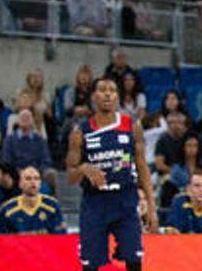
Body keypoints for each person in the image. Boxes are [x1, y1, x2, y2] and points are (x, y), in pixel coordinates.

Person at [66, 78, 157, 271]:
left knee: (134, 259)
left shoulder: (132, 126)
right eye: (102, 90)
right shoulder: (80, 132)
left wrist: (151, 206)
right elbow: (70, 177)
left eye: (112, 90)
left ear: (117, 97)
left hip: (125, 199)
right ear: (93, 96)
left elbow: (142, 167)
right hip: (94, 202)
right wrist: (83, 169)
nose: (107, 94)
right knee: (90, 265)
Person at [0, 166, 66, 234]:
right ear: (20, 184)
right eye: (28, 179)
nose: (33, 182)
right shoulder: (8, 209)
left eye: (36, 178)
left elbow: (60, 239)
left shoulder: (52, 206)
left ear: (40, 183)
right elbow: (1, 241)